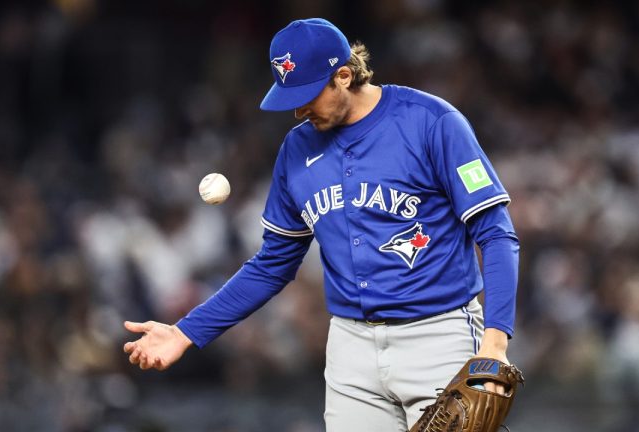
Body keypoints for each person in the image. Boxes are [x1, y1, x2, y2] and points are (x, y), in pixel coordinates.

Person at [123, 18, 520, 431]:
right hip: (351, 347)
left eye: (309, 94)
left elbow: (496, 232)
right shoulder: (296, 150)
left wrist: (495, 341)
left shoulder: (431, 122)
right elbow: (271, 265)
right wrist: (186, 332)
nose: (298, 109)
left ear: (344, 75)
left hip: (437, 332)